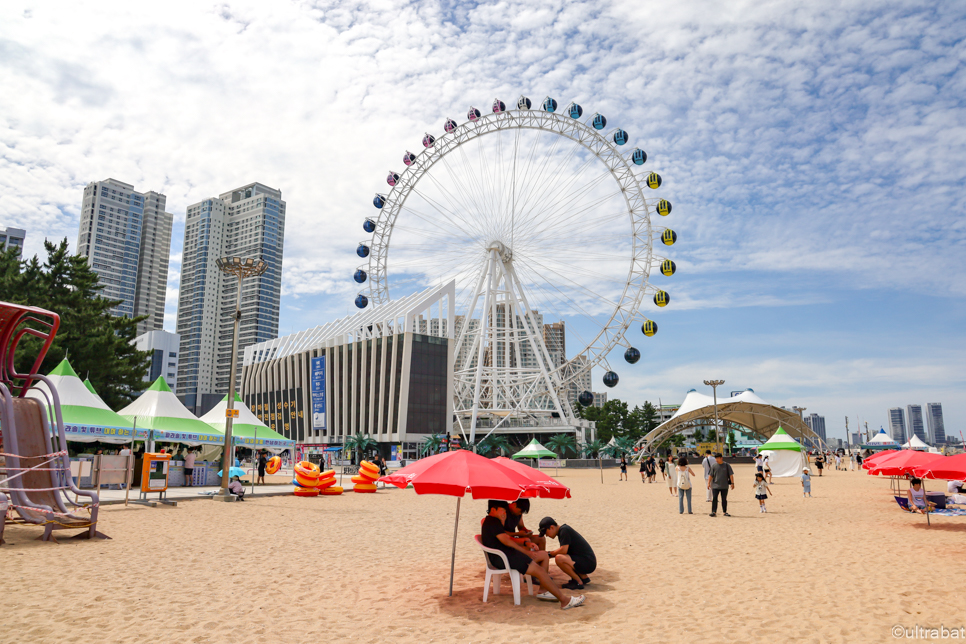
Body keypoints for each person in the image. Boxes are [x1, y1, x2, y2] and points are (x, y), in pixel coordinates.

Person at [482, 502, 584, 610]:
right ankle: (565, 601)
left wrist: (525, 543)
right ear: (493, 510)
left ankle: (543, 590)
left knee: (543, 557)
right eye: (502, 510)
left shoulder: (493, 522)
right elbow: (507, 541)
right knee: (539, 571)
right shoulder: (492, 523)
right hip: (504, 559)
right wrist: (526, 552)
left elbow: (507, 540)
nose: (504, 512)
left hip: (506, 556)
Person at [539, 517, 596, 590]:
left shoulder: (564, 530)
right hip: (587, 560)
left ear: (552, 527)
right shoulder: (563, 530)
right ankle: (583, 577)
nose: (546, 535)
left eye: (545, 532)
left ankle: (578, 582)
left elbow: (563, 550)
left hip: (588, 562)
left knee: (559, 558)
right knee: (562, 557)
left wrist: (549, 554)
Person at [707, 453, 734, 517]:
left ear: (721, 458)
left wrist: (732, 483)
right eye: (715, 458)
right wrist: (708, 483)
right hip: (715, 485)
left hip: (724, 485)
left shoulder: (727, 465)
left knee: (724, 499)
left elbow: (731, 475)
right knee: (715, 499)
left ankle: (724, 512)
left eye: (717, 458)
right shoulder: (713, 466)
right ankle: (714, 512)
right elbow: (710, 475)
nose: (716, 459)